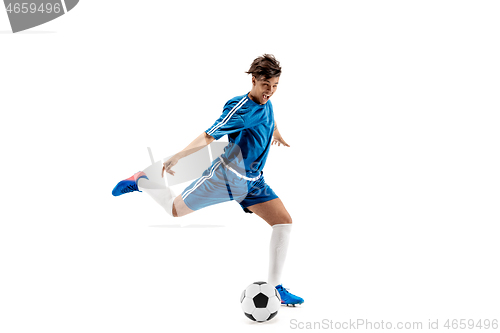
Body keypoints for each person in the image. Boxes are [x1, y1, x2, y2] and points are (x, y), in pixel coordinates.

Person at [112, 54, 303, 306]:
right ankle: (143, 181)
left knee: (283, 222)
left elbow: (269, 116)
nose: (270, 91)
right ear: (254, 80)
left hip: (253, 182)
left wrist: (276, 133)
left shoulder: (267, 102)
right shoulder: (239, 108)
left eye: (275, 86)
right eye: (266, 85)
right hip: (225, 179)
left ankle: (276, 288)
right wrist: (178, 156)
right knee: (174, 210)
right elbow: (208, 136)